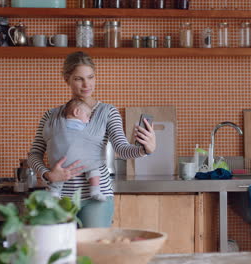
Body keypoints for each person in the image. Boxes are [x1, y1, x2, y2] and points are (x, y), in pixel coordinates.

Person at [28, 51, 156, 228]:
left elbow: (121, 149)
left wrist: (144, 149)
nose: (86, 84)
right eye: (79, 79)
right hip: (59, 198)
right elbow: (34, 154)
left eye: (90, 77)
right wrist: (48, 174)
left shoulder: (108, 112)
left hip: (97, 197)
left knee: (95, 251)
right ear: (67, 79)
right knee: (61, 251)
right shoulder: (51, 116)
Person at [45, 98, 107, 201]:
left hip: (61, 161)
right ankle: (95, 190)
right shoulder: (85, 125)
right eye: (87, 116)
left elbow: (47, 136)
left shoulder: (57, 124)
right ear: (77, 112)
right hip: (84, 160)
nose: (88, 120)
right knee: (94, 169)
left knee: (58, 174)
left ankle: (54, 191)